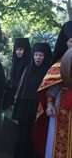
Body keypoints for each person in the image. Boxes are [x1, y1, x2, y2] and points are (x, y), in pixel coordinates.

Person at [32, 21, 72, 158]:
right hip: (62, 108)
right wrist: (49, 104)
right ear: (67, 43)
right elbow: (52, 86)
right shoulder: (61, 62)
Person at [12, 43, 52, 158]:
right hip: (26, 108)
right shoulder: (28, 69)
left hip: (39, 108)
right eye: (36, 55)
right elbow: (21, 91)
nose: (38, 58)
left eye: (41, 55)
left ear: (45, 57)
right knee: (24, 132)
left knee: (37, 132)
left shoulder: (48, 72)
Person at [2, 37, 31, 155]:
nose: (19, 52)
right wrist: (9, 102)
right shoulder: (14, 63)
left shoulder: (29, 66)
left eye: (21, 49)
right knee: (11, 127)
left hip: (23, 102)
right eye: (17, 49)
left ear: (26, 51)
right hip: (12, 102)